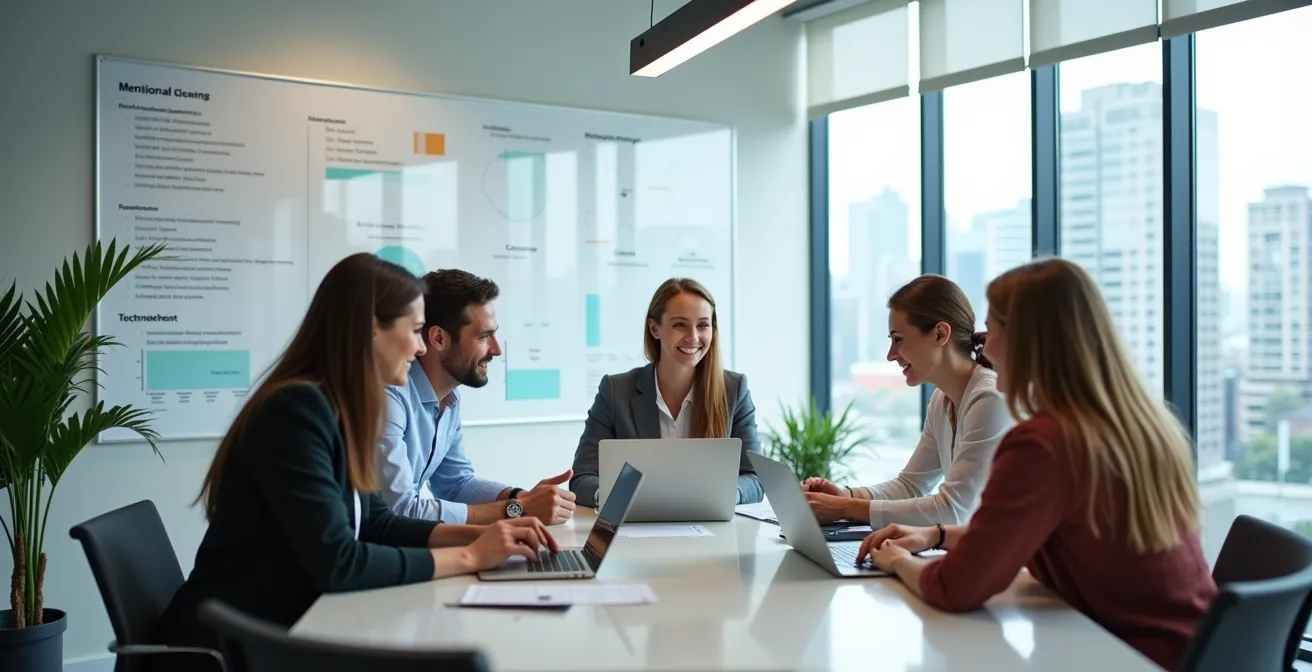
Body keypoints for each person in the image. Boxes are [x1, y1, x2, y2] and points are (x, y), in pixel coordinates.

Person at [150, 254, 557, 672]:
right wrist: (472, 556)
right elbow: (339, 563)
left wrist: (492, 536)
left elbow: (379, 524)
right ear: (370, 331)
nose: (420, 348)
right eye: (415, 332)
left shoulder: (341, 408)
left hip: (286, 625)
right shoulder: (297, 409)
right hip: (232, 646)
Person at [856, 258, 1217, 671]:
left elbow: (956, 587)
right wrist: (935, 535)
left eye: (995, 331)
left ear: (1032, 342)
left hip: (1134, 658)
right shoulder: (1138, 427)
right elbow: (1022, 534)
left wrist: (895, 560)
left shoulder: (1044, 445)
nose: (984, 346)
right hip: (1188, 652)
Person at [801, 274, 1011, 527]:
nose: (891, 355)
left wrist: (846, 508)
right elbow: (910, 486)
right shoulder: (941, 400)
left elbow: (952, 510)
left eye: (898, 339)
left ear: (940, 334)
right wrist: (847, 495)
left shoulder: (988, 399)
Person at [377, 269, 576, 525]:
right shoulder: (389, 397)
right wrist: (519, 509)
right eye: (484, 336)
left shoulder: (449, 399)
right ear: (438, 338)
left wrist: (521, 497)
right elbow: (401, 510)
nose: (496, 349)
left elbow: (456, 484)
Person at [569, 278, 764, 507]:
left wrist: (723, 494)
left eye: (703, 325)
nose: (693, 337)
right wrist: (617, 499)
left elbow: (755, 479)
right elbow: (582, 478)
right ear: (655, 328)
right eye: (680, 324)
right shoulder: (616, 392)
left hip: (710, 530)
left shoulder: (734, 390)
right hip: (637, 531)